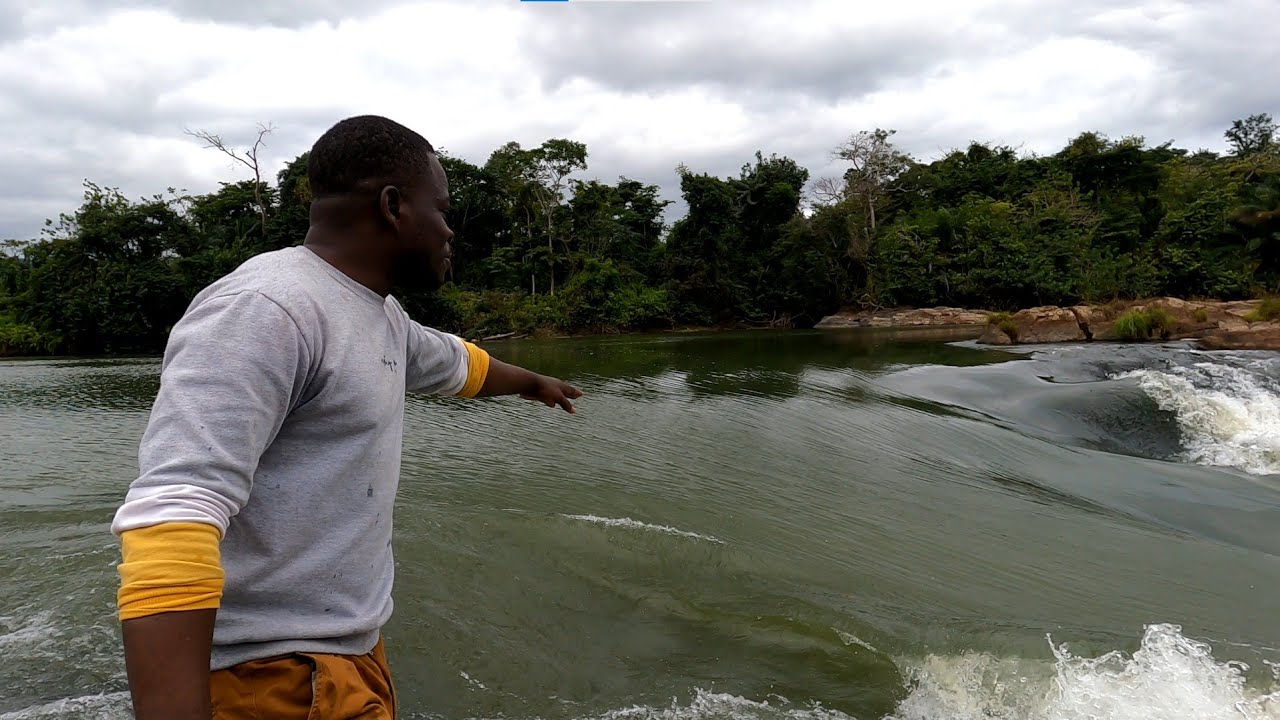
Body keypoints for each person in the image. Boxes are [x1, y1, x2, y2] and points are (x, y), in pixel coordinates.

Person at [110, 114, 583, 719]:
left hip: (346, 653)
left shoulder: (377, 314)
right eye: (441, 210)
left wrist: (534, 384)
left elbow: (460, 364)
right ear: (393, 206)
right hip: (273, 674)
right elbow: (174, 513)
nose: (449, 232)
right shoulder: (265, 310)